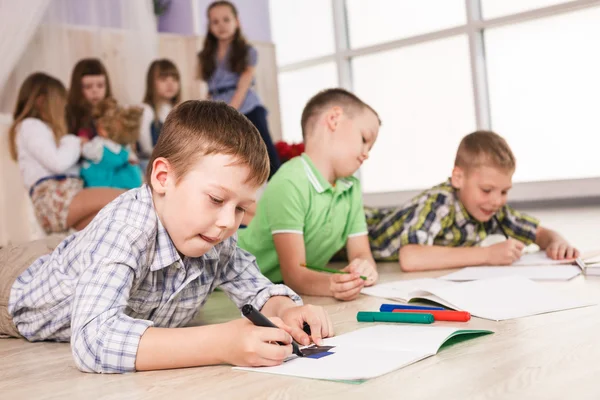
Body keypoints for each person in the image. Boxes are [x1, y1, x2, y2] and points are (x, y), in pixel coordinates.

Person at [0, 100, 333, 374]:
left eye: (241, 209)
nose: (228, 223)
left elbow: (257, 289)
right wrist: (220, 343)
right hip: (19, 283)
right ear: (162, 177)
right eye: (217, 200)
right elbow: (93, 341)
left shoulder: (215, 234)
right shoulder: (128, 227)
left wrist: (288, 310)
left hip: (72, 254)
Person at [238, 88, 380, 301]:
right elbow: (294, 275)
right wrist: (332, 285)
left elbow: (361, 253)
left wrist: (365, 268)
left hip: (273, 287)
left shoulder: (351, 188)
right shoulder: (290, 181)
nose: (367, 153)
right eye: (364, 139)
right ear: (334, 119)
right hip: (236, 277)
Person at [366, 130, 580, 271]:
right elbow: (410, 257)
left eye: (504, 191)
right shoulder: (440, 201)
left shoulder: (492, 209)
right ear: (458, 178)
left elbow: (540, 233)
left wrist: (557, 243)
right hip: (360, 228)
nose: (497, 201)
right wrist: (487, 254)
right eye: (487, 190)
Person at [198, 0, 280, 179]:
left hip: (246, 106)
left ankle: (280, 191)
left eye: (226, 20)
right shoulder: (206, 55)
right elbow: (210, 90)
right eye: (215, 22)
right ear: (210, 26)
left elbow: (243, 85)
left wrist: (230, 113)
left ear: (237, 21)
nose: (222, 26)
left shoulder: (246, 51)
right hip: (220, 109)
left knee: (266, 155)